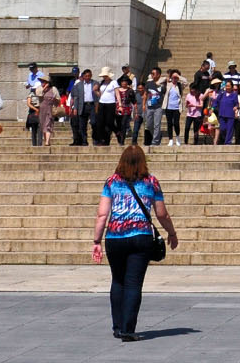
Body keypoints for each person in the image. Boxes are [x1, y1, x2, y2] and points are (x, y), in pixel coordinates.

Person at [92, 144, 178, 342]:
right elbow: (162, 214)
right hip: (141, 237)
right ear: (143, 162)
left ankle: (117, 326)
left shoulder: (111, 182)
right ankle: (128, 329)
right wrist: (171, 234)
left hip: (115, 237)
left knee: (118, 280)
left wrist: (96, 240)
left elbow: (102, 214)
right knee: (133, 283)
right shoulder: (151, 182)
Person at [69, 69, 95, 146]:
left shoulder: (95, 83)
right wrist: (74, 108)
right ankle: (84, 141)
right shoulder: (78, 85)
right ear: (83, 76)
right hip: (82, 106)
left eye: (89, 76)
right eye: (86, 76)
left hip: (92, 105)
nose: (87, 77)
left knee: (94, 123)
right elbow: (75, 97)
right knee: (82, 125)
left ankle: (95, 139)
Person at [94, 69, 119, 146]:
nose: (104, 77)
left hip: (111, 103)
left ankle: (117, 132)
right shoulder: (102, 83)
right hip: (102, 103)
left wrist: (119, 104)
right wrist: (95, 91)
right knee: (100, 123)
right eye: (103, 76)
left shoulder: (113, 82)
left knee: (109, 122)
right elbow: (100, 95)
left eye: (105, 76)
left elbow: (117, 94)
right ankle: (103, 139)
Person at [39, 77, 62, 147]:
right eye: (42, 82)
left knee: (48, 124)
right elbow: (39, 95)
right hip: (42, 109)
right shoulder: (39, 88)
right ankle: (47, 141)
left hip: (50, 108)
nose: (43, 83)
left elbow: (58, 99)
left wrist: (54, 99)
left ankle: (47, 141)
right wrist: (43, 89)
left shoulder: (53, 89)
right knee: (43, 125)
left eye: (44, 82)